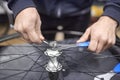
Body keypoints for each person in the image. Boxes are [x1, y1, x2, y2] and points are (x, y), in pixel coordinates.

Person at [6, 0, 120, 53]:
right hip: (38, 13)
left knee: (78, 52)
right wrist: (20, 4)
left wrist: (112, 16)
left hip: (79, 13)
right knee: (40, 50)